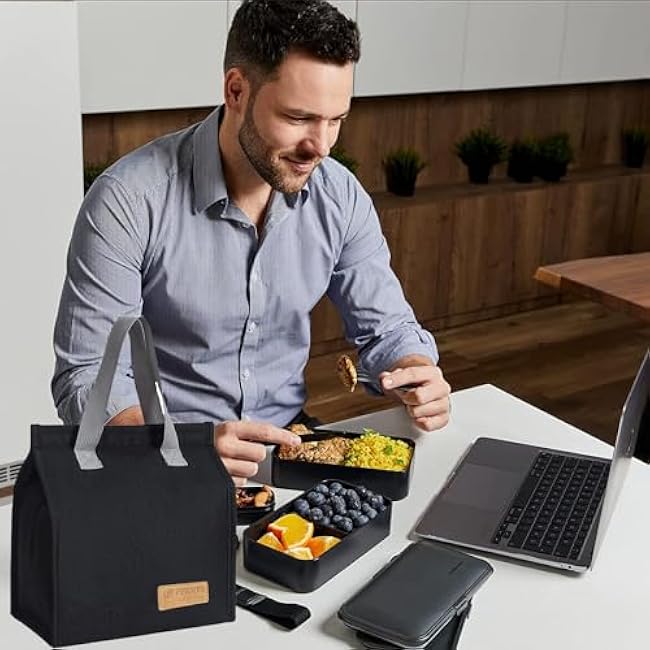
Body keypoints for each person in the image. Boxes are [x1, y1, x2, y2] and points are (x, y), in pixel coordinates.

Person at [52, 0, 451, 486]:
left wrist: (414, 368)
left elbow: (388, 329)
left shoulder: (340, 195)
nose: (321, 146)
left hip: (290, 445)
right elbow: (88, 376)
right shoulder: (128, 200)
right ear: (236, 90)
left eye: (336, 120)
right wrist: (180, 447)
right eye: (299, 117)